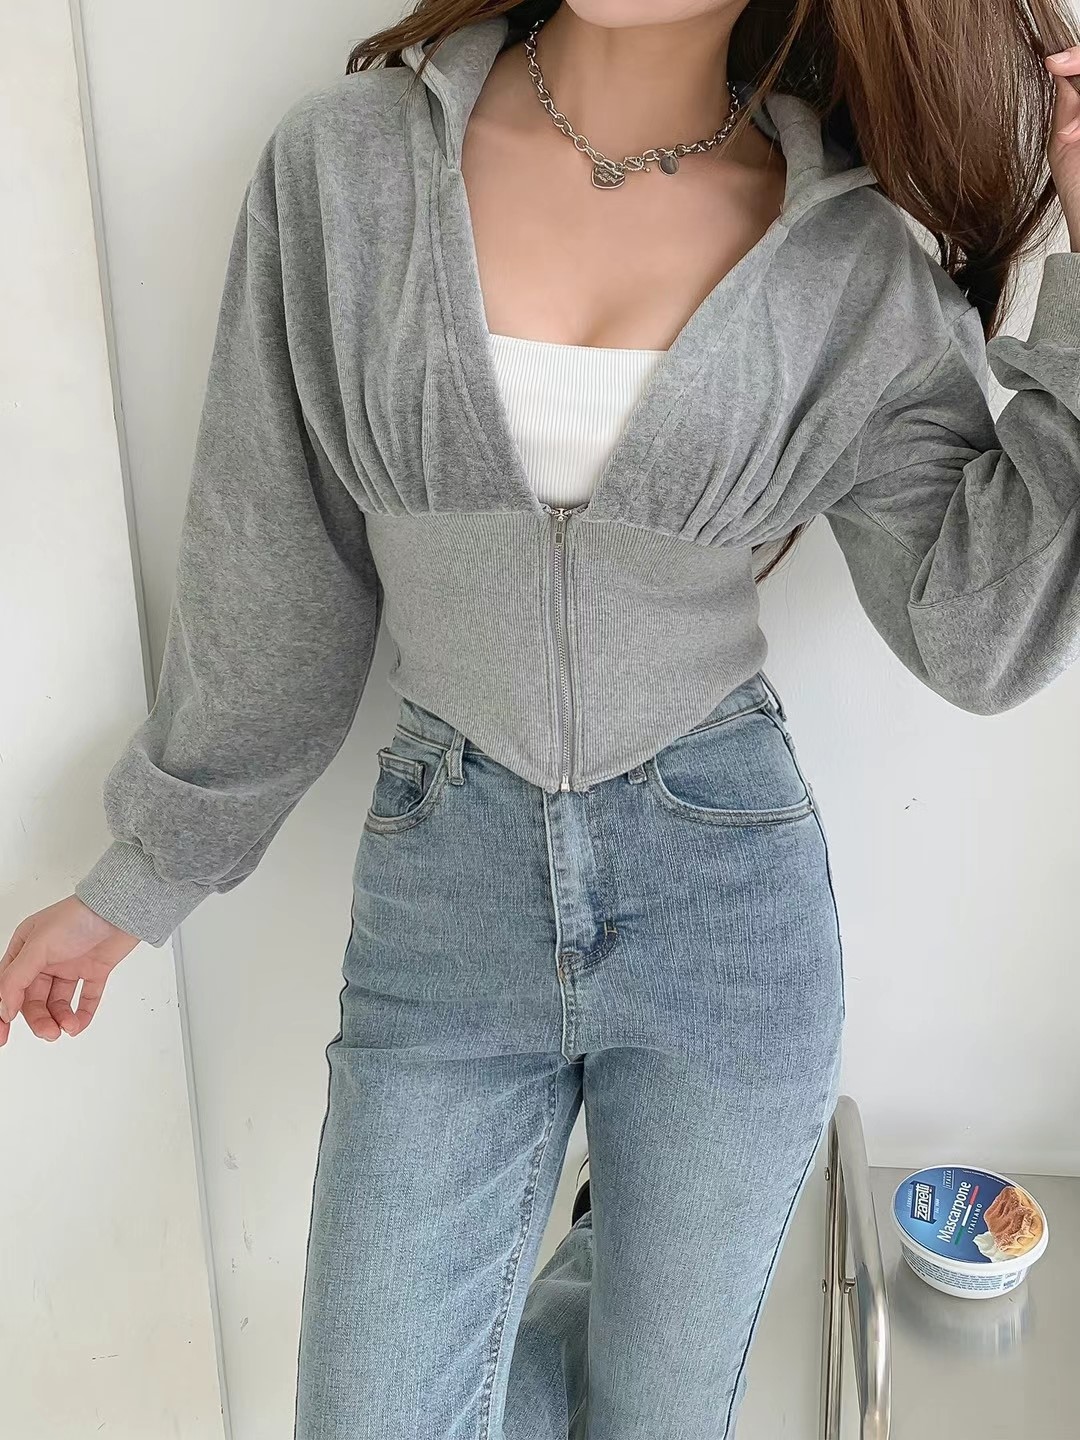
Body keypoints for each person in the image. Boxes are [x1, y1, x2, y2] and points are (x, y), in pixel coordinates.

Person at [3, 1, 1079, 1435]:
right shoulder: (346, 171)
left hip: (728, 907)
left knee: (657, 1420)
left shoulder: (854, 260)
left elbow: (981, 636)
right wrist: (141, 880)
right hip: (445, 900)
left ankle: (605, 1265)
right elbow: (275, 580)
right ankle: (594, 1251)